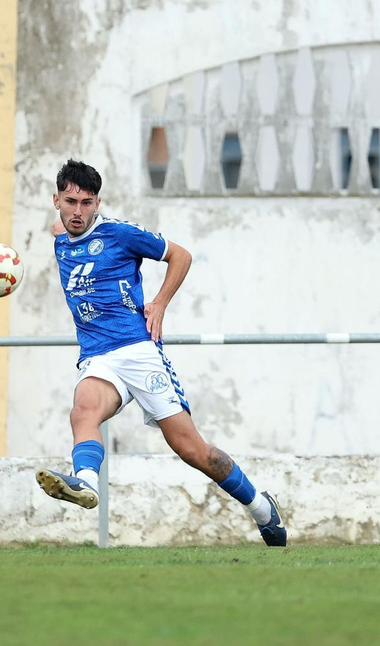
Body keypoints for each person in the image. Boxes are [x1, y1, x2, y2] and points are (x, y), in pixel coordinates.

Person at [34, 159, 286, 546]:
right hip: (99, 357)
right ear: (57, 200)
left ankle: (261, 509)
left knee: (194, 451)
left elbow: (180, 256)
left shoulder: (120, 235)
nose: (78, 212)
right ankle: (84, 484)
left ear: (98, 202)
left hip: (138, 350)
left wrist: (160, 302)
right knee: (83, 409)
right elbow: (63, 231)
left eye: (87, 203)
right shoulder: (61, 237)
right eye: (71, 202)